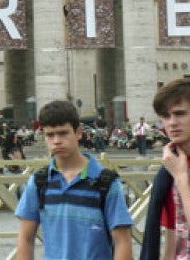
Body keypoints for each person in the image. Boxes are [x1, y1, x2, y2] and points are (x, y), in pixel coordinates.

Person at [16, 100, 133, 260]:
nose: (56, 140)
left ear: (78, 133)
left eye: (63, 133)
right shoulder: (39, 182)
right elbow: (25, 238)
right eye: (50, 135)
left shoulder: (105, 182)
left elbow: (122, 241)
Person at [141, 79, 190, 259]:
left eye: (180, 114)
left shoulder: (174, 169)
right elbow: (174, 237)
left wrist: (181, 178)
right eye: (166, 116)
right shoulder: (167, 170)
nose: (172, 123)